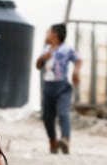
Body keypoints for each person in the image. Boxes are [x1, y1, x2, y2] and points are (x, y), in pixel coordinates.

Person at [35, 23, 82, 154]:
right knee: (47, 117)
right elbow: (38, 66)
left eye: (47, 32)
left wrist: (76, 72)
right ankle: (53, 141)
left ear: (54, 35)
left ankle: (65, 139)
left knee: (63, 113)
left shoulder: (66, 49)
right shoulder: (46, 50)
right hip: (48, 86)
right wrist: (41, 59)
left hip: (62, 86)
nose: (46, 35)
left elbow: (78, 60)